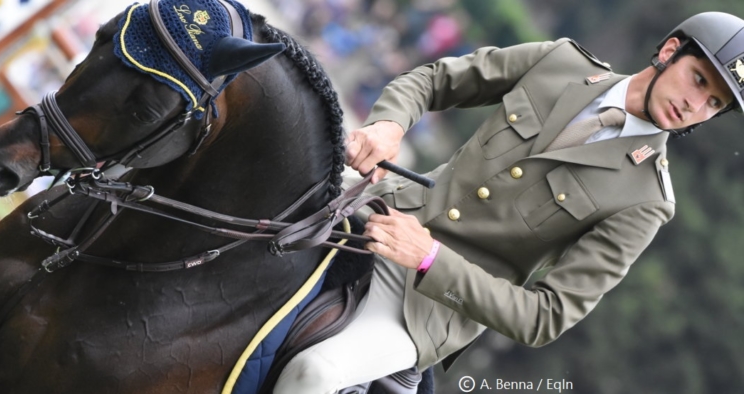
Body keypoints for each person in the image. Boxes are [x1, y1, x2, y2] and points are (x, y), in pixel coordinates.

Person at [274, 12, 744, 394]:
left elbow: (546, 316)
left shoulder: (647, 201)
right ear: (669, 52)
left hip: (425, 306)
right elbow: (435, 80)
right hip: (371, 211)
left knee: (316, 374)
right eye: (698, 79)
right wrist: (389, 126)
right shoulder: (561, 62)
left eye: (714, 103)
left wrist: (429, 259)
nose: (695, 104)